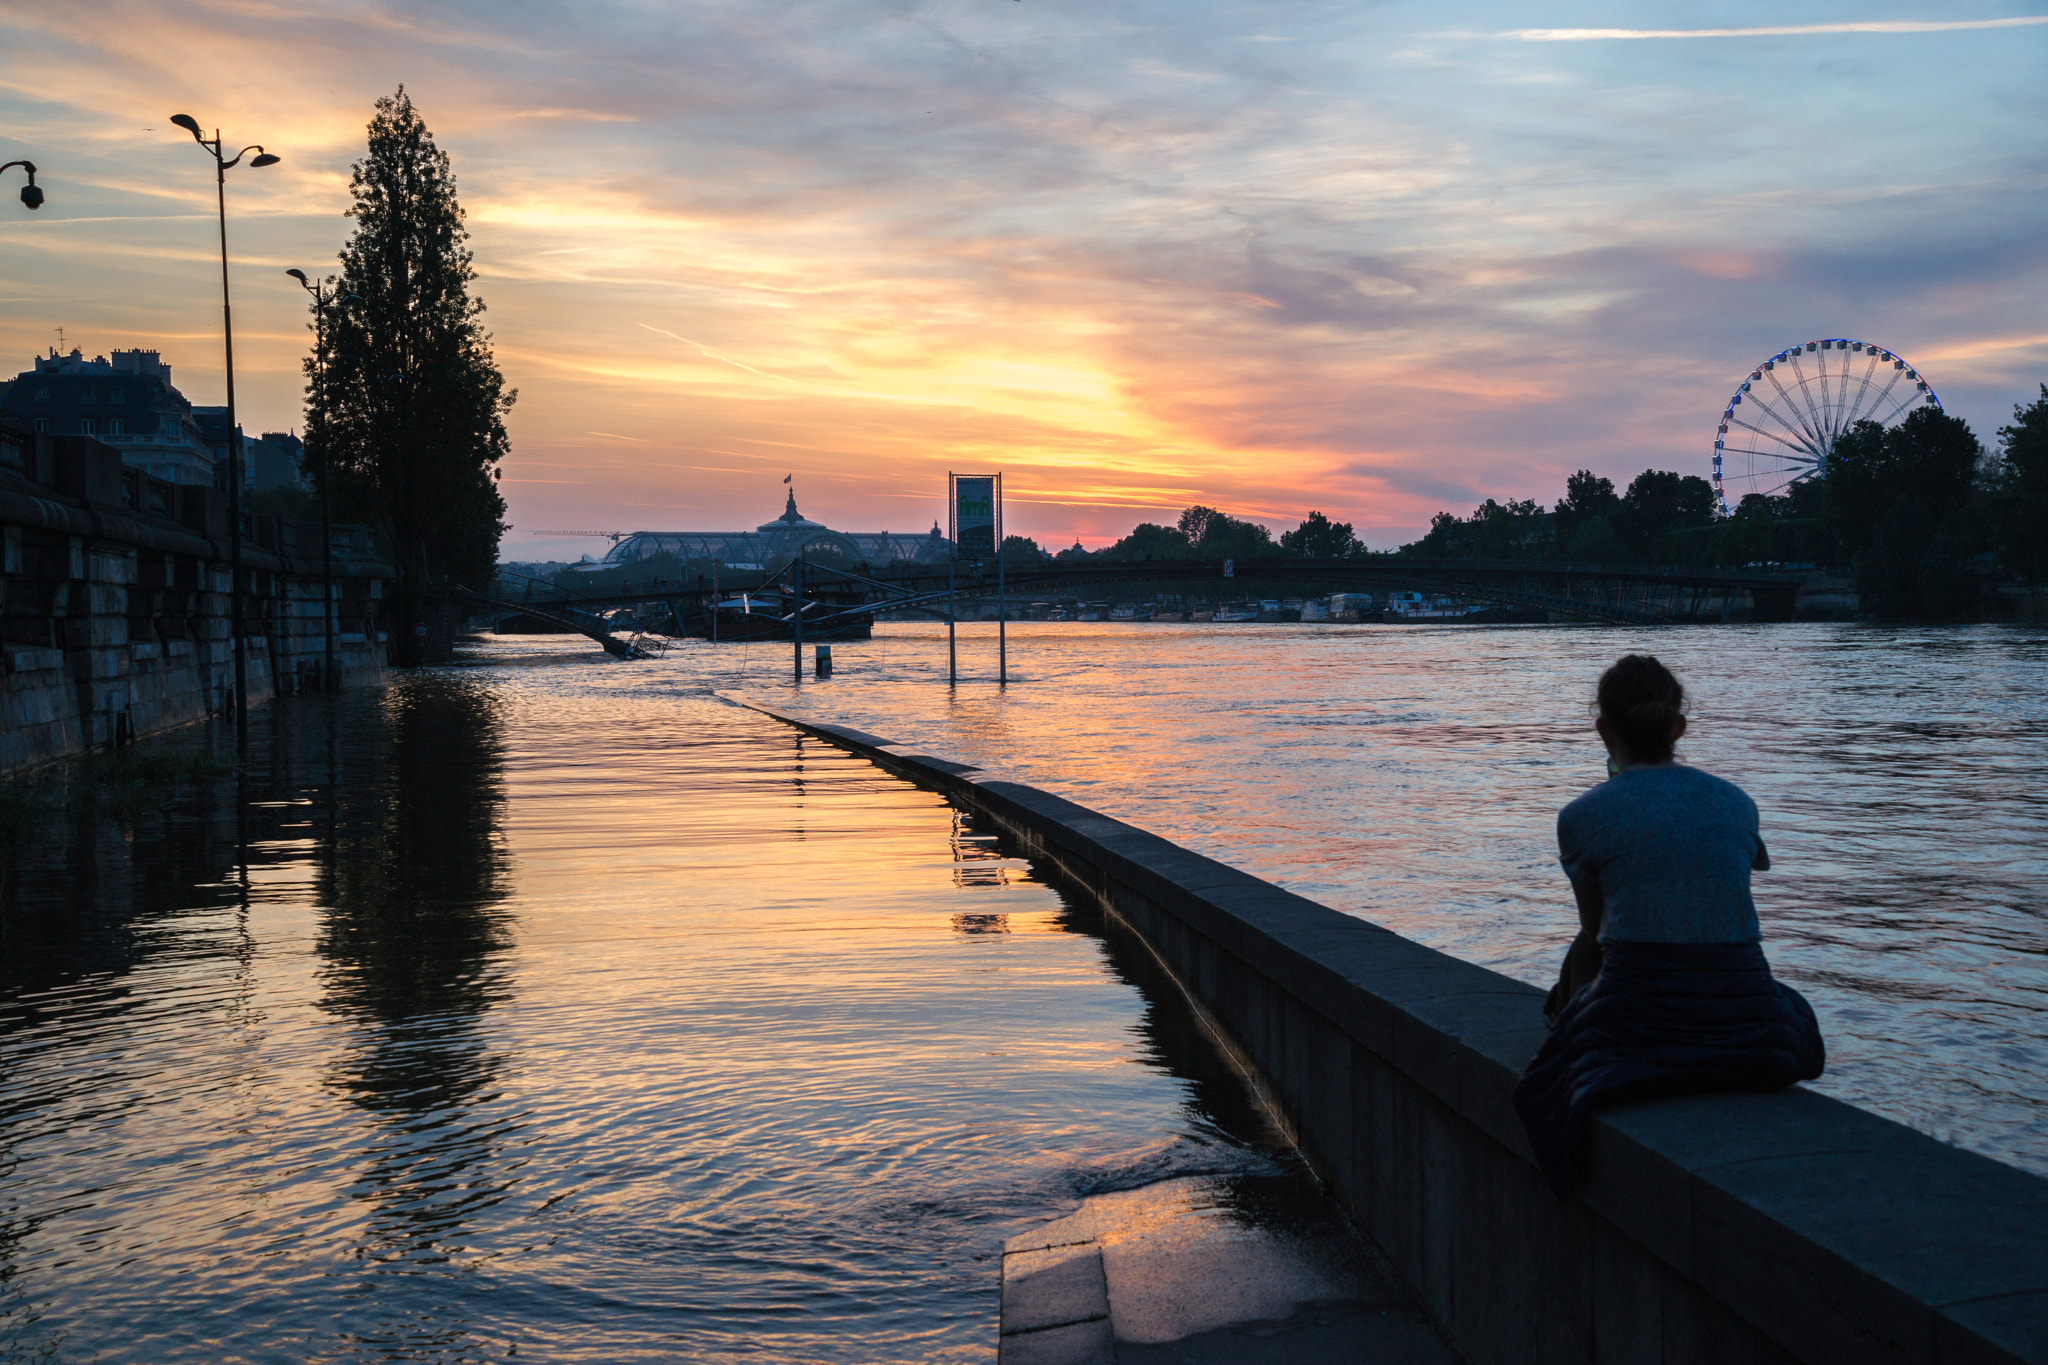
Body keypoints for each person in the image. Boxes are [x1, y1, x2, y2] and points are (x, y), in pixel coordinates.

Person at [1512, 654, 1824, 1196]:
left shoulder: (1581, 815)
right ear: (1679, 726)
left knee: (1580, 967)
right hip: (1740, 997)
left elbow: (1596, 930)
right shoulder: (1736, 802)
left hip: (1641, 1004)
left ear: (1603, 731)